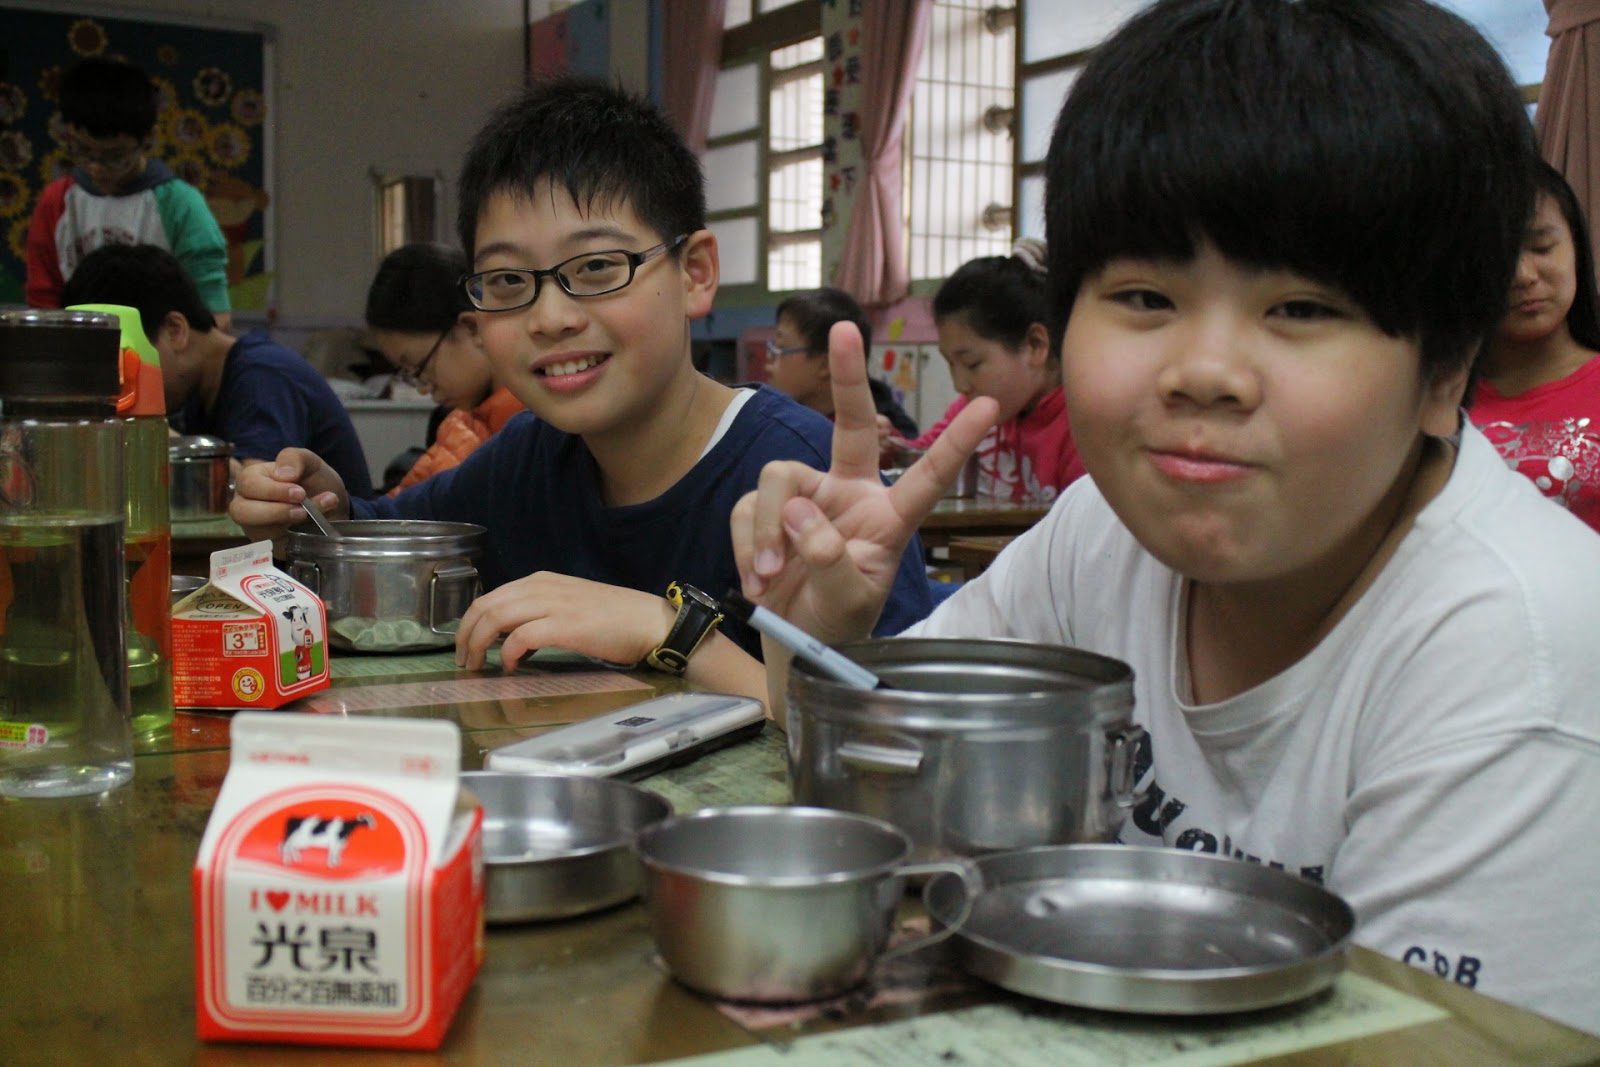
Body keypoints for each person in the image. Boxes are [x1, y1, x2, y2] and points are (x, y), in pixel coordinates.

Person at [732, 0, 1599, 1037]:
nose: (1204, 372)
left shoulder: (1519, 659)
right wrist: (819, 635)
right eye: (1145, 296)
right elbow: (885, 801)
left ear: (1446, 370)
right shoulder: (1102, 531)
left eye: (1302, 308)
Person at [229, 77, 932, 703]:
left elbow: (905, 743)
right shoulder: (529, 457)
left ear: (694, 274)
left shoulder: (803, 479)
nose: (550, 317)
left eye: (597, 267)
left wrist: (670, 631)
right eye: (508, 281)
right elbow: (391, 534)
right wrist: (317, 511)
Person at [61, 243, 373, 497]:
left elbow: (263, 498)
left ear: (175, 330)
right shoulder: (198, 392)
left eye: (120, 365)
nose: (115, 387)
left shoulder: (264, 376)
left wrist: (151, 429)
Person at [25, 56, 232, 330]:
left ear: (149, 139)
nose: (96, 168)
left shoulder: (180, 205)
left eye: (115, 157)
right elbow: (44, 306)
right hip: (79, 350)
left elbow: (214, 320)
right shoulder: (57, 202)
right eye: (82, 151)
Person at [884, 240, 1085, 502]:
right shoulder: (972, 410)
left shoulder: (1081, 429)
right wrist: (888, 445)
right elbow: (923, 458)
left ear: (1035, 345)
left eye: (972, 364)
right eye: (950, 363)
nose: (960, 385)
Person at [1468, 160, 1600, 532]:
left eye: (1542, 247)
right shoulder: (1430, 400)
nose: (1523, 275)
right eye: (1498, 257)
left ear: (1576, 247)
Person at [363, 242, 524, 496]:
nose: (424, 389)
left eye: (419, 366)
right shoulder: (459, 424)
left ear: (472, 327)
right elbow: (401, 508)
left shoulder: (540, 427)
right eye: (408, 374)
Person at [767, 287, 918, 438]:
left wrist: (890, 442)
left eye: (781, 348)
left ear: (826, 364)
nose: (768, 361)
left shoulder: (878, 428)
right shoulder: (779, 418)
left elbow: (910, 445)